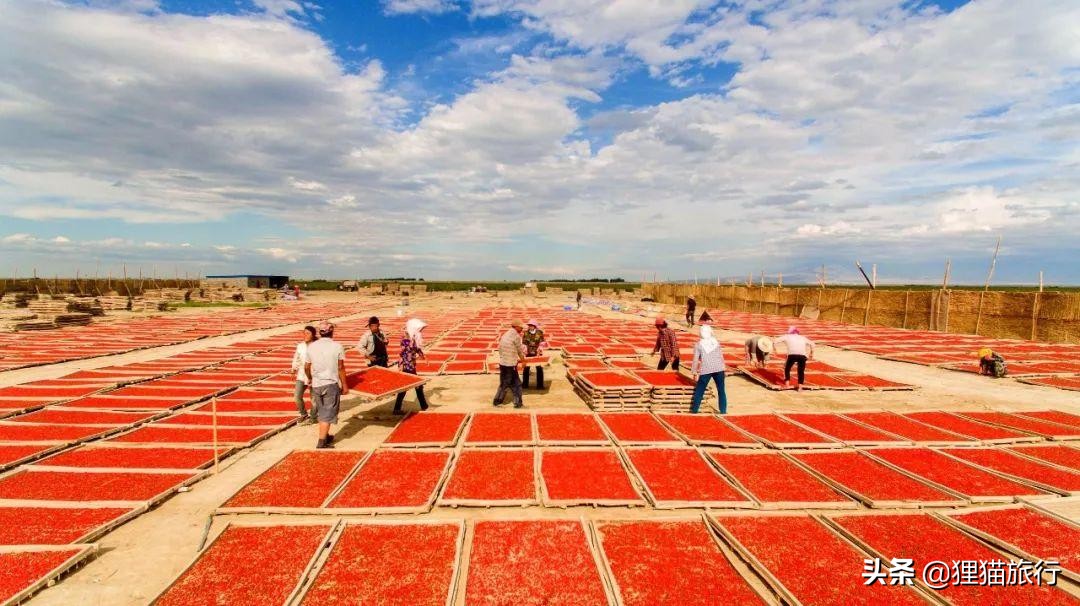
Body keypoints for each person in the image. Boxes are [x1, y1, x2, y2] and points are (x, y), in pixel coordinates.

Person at [304, 321, 348, 448]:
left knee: (322, 410)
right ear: (332, 331)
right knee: (328, 412)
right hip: (330, 383)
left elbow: (306, 366)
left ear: (320, 333)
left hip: (317, 384)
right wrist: (344, 385)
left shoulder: (311, 346)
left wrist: (310, 378)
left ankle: (326, 435)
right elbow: (340, 367)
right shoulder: (337, 346)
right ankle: (322, 442)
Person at [394, 318, 429, 414]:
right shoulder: (405, 340)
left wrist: (424, 357)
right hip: (406, 367)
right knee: (416, 386)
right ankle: (424, 406)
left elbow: (417, 349)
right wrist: (401, 366)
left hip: (411, 366)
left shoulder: (413, 338)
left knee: (408, 388)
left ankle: (397, 409)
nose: (420, 331)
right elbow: (402, 354)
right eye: (419, 329)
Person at [690, 325, 728, 414]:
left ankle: (694, 411)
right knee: (721, 390)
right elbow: (721, 356)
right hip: (719, 368)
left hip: (706, 369)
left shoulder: (699, 344)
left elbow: (695, 359)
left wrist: (694, 372)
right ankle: (723, 411)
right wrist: (723, 368)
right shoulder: (716, 342)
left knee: (700, 390)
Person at [493, 319, 526, 408]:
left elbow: (500, 348)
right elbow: (519, 350)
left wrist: (505, 358)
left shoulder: (506, 334)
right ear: (516, 327)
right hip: (510, 365)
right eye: (521, 327)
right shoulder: (516, 336)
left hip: (503, 363)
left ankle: (497, 401)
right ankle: (518, 403)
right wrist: (523, 361)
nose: (522, 329)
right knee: (516, 384)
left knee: (504, 383)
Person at [773, 326, 815, 391]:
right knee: (801, 371)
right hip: (802, 356)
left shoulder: (787, 336)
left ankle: (787, 385)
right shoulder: (802, 337)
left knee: (787, 369)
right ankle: (800, 387)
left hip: (792, 355)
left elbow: (775, 341)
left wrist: (774, 349)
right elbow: (812, 344)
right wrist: (811, 353)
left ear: (790, 332)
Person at [291, 326, 317, 424]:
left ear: (313, 335)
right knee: (297, 396)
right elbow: (296, 358)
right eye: (304, 333)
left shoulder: (317, 347)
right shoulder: (300, 346)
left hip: (314, 375)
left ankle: (313, 417)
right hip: (302, 375)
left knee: (314, 399)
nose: (305, 335)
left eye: (308, 333)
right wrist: (293, 368)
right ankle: (303, 414)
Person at [521, 319, 546, 389]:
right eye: (529, 325)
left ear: (535, 326)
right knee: (526, 368)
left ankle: (540, 385)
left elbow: (542, 342)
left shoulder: (539, 332)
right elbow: (524, 342)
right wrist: (524, 348)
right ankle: (525, 384)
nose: (530, 327)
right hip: (528, 352)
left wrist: (540, 347)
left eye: (531, 325)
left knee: (539, 368)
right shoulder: (526, 333)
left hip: (537, 353)